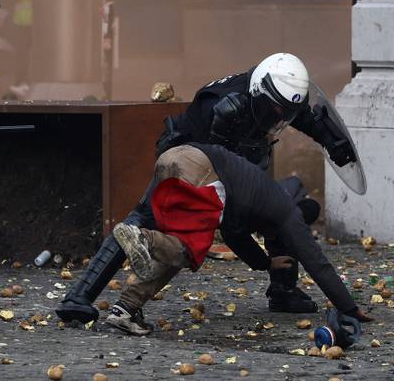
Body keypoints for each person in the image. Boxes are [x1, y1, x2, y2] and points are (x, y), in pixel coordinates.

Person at [56, 53, 357, 329]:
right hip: (190, 163)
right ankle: (79, 298)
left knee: (277, 210)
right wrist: (253, 247)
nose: (278, 118)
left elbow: (300, 113)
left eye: (284, 112)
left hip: (226, 168)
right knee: (163, 229)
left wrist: (333, 142)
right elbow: (224, 196)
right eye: (274, 110)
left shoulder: (275, 92)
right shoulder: (224, 107)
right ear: (258, 94)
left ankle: (283, 290)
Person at [108, 143, 372, 336]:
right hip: (200, 169)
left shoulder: (258, 197)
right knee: (189, 249)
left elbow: (236, 237)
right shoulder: (288, 212)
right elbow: (316, 260)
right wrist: (348, 307)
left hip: (174, 156)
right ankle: (142, 237)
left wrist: (266, 263)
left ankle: (126, 307)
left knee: (178, 249)